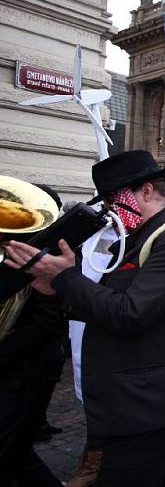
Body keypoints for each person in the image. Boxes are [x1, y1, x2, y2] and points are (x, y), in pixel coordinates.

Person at [3, 150, 165, 486]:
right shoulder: (139, 236)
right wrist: (58, 289)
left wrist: (65, 278)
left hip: (148, 403)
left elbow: (130, 313)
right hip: (130, 400)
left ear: (146, 190)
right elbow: (107, 300)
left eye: (115, 197)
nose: (111, 208)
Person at [0, 181, 65, 487]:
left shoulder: (49, 257)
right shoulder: (11, 251)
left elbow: (45, 321)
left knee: (12, 453)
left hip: (29, 368)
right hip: (15, 365)